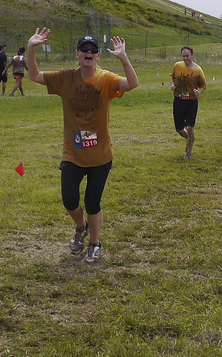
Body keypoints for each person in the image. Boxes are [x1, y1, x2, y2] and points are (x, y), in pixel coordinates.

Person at [25, 31, 139, 264]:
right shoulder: (66, 78)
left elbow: (132, 84)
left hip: (100, 155)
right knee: (69, 199)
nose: (88, 53)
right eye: (84, 50)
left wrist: (123, 58)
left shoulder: (106, 79)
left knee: (92, 202)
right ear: (77, 54)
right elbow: (34, 75)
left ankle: (95, 243)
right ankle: (81, 227)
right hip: (73, 154)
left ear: (97, 56)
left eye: (93, 50)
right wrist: (31, 47)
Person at [169, 46, 207, 159]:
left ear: (192, 55)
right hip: (179, 100)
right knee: (180, 129)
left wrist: (198, 92)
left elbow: (204, 86)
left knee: (190, 127)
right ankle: (191, 139)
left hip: (191, 101)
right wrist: (172, 85)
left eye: (187, 56)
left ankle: (188, 152)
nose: (185, 58)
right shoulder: (177, 65)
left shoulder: (197, 70)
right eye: (183, 56)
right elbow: (172, 77)